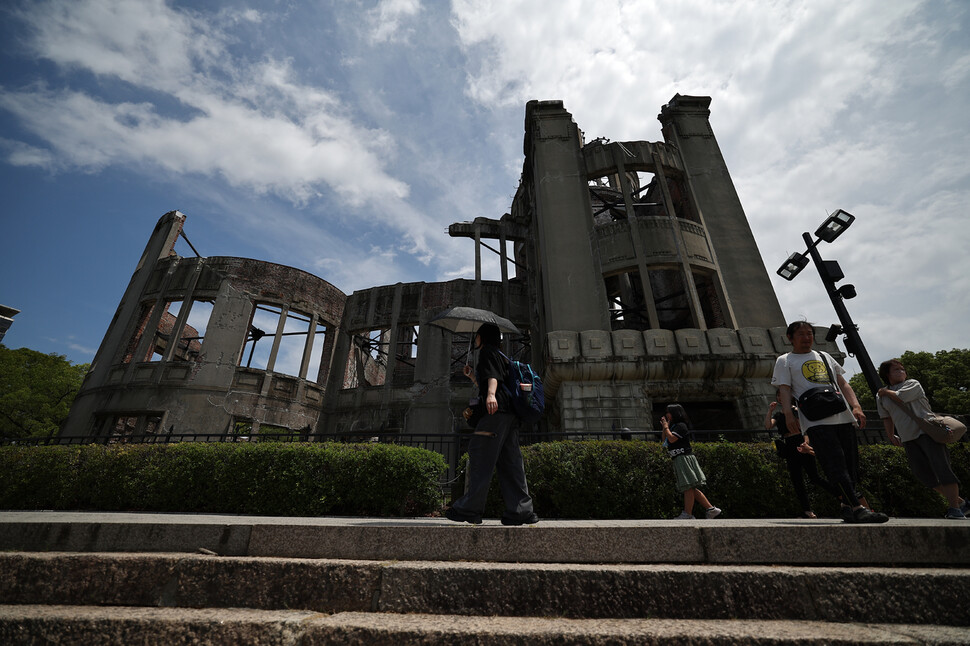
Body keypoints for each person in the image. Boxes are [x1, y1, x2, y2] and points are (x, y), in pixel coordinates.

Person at [771, 320, 888, 524]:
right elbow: (785, 388)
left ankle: (847, 507)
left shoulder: (824, 356)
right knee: (834, 464)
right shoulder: (785, 360)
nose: (806, 338)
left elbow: (842, 383)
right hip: (816, 421)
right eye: (801, 334)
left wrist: (856, 406)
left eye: (809, 333)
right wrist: (789, 415)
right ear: (790, 338)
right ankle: (858, 508)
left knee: (850, 464)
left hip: (841, 415)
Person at [445, 323, 538, 526]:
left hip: (495, 413)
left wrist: (490, 395)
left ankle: (469, 508)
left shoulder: (487, 352)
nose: (476, 339)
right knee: (511, 462)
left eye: (477, 336)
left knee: (481, 455)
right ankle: (521, 511)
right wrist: (473, 377)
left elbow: (493, 379)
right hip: (510, 415)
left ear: (482, 337)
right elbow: (493, 380)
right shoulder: (502, 356)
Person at [876, 358, 969, 520]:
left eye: (902, 369)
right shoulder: (881, 396)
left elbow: (900, 397)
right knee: (923, 475)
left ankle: (955, 509)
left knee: (943, 469)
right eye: (896, 369)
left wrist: (885, 392)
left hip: (927, 433)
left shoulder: (912, 384)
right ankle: (961, 503)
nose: (901, 371)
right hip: (907, 437)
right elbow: (886, 417)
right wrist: (891, 435)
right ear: (887, 374)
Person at [766, 395, 842, 518]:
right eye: (779, 396)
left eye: (783, 395)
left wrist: (806, 442)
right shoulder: (778, 415)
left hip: (800, 441)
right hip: (789, 445)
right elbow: (768, 425)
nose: (781, 398)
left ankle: (841, 495)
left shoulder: (797, 410)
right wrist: (770, 411)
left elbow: (805, 428)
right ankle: (807, 510)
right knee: (797, 480)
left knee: (815, 477)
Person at [660, 404, 721, 520]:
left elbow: (672, 439)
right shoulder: (673, 426)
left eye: (668, 412)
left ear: (674, 413)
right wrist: (665, 427)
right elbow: (665, 441)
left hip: (684, 458)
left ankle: (687, 514)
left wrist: (666, 427)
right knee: (691, 487)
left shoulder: (681, 426)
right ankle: (711, 509)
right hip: (678, 458)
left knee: (688, 487)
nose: (666, 414)